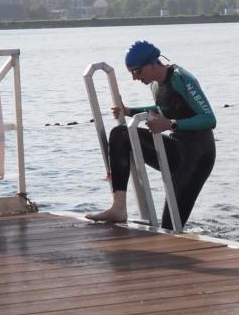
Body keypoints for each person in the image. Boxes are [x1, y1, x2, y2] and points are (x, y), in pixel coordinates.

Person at [86, 41, 216, 229]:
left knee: (171, 226)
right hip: (176, 149)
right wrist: (129, 111)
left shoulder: (182, 78)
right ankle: (118, 207)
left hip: (198, 156)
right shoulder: (154, 83)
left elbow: (209, 119)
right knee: (121, 134)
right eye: (131, 73)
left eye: (137, 72)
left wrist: (171, 124)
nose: (134, 78)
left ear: (152, 63)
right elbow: (166, 107)